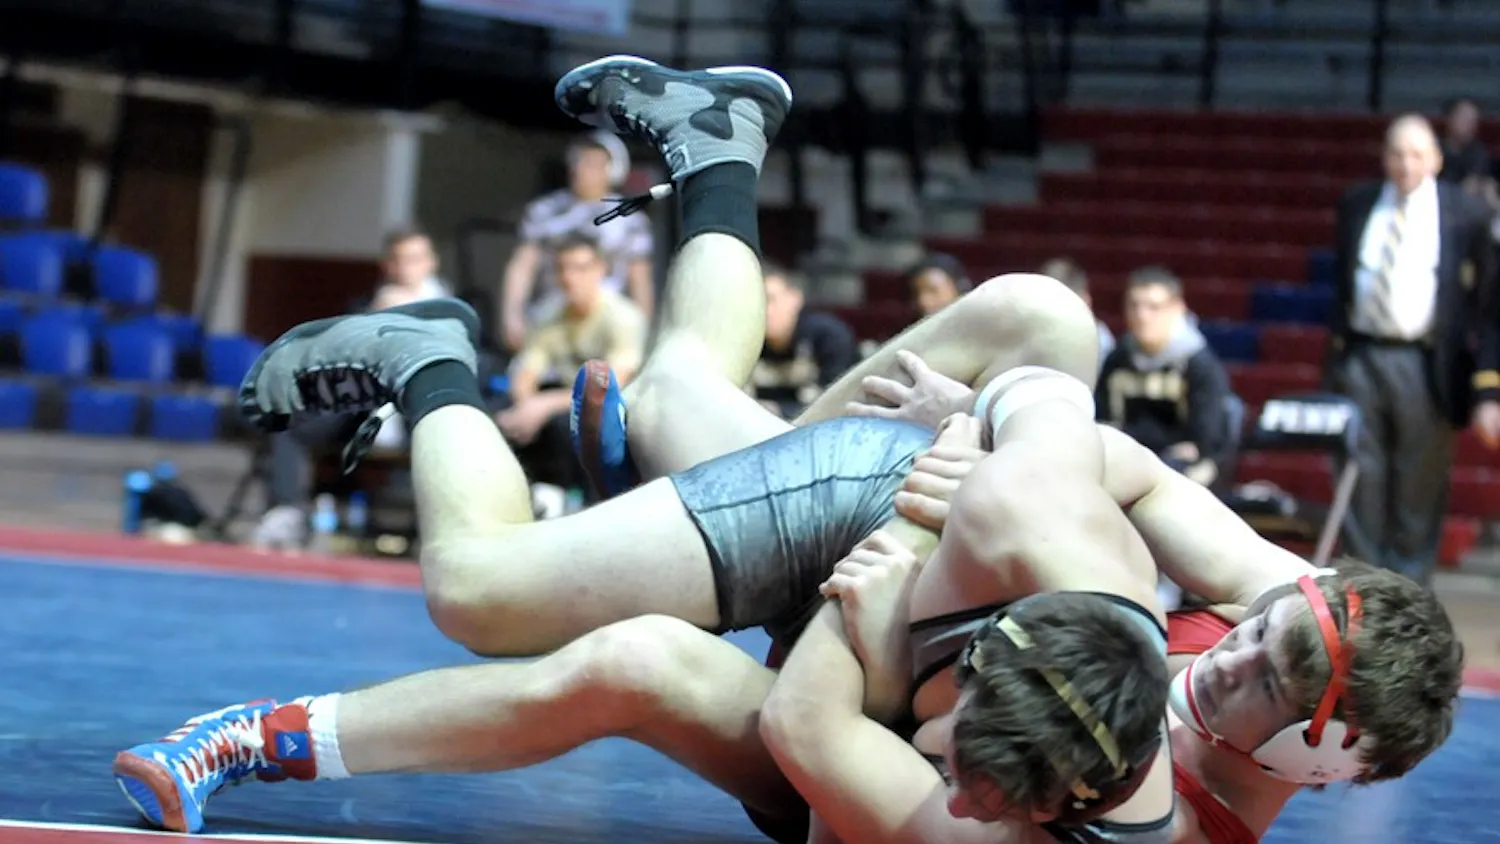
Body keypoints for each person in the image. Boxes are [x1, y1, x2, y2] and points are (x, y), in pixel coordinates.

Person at [112, 56, 1172, 840]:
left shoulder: (937, 817)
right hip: (876, 515)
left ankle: (705, 160)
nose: (956, 784)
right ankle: (436, 363)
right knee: (1047, 321)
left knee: (633, 537)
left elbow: (813, 718)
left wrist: (872, 627)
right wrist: (989, 422)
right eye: (967, 751)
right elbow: (1154, 491)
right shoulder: (1144, 684)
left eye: (973, 784)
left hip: (841, 657)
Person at [848, 359, 1463, 842]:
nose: (1227, 659)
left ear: (1314, 755)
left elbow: (886, 757)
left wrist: (877, 671)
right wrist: (991, 453)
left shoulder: (1168, 824)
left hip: (865, 692)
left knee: (1085, 557)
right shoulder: (1297, 614)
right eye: (1253, 633)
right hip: (923, 570)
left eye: (1267, 686)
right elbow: (1141, 473)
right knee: (1040, 314)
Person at [1327, 113, 1500, 586]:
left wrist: (1488, 388)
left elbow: (1488, 308)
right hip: (1360, 355)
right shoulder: (1357, 203)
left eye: (1418, 154)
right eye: (1398, 153)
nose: (1407, 164)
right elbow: (1342, 285)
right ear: (1385, 158)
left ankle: (1407, 593)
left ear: (1437, 160)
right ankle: (1361, 589)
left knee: (1418, 486)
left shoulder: (1467, 213)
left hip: (1428, 364)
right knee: (1358, 479)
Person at [501, 132, 654, 352]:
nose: (582, 169)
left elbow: (640, 278)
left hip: (606, 321)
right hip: (552, 315)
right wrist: (512, 316)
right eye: (578, 160)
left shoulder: (630, 219)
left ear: (613, 170)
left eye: (592, 163)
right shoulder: (544, 211)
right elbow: (522, 266)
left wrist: (642, 329)